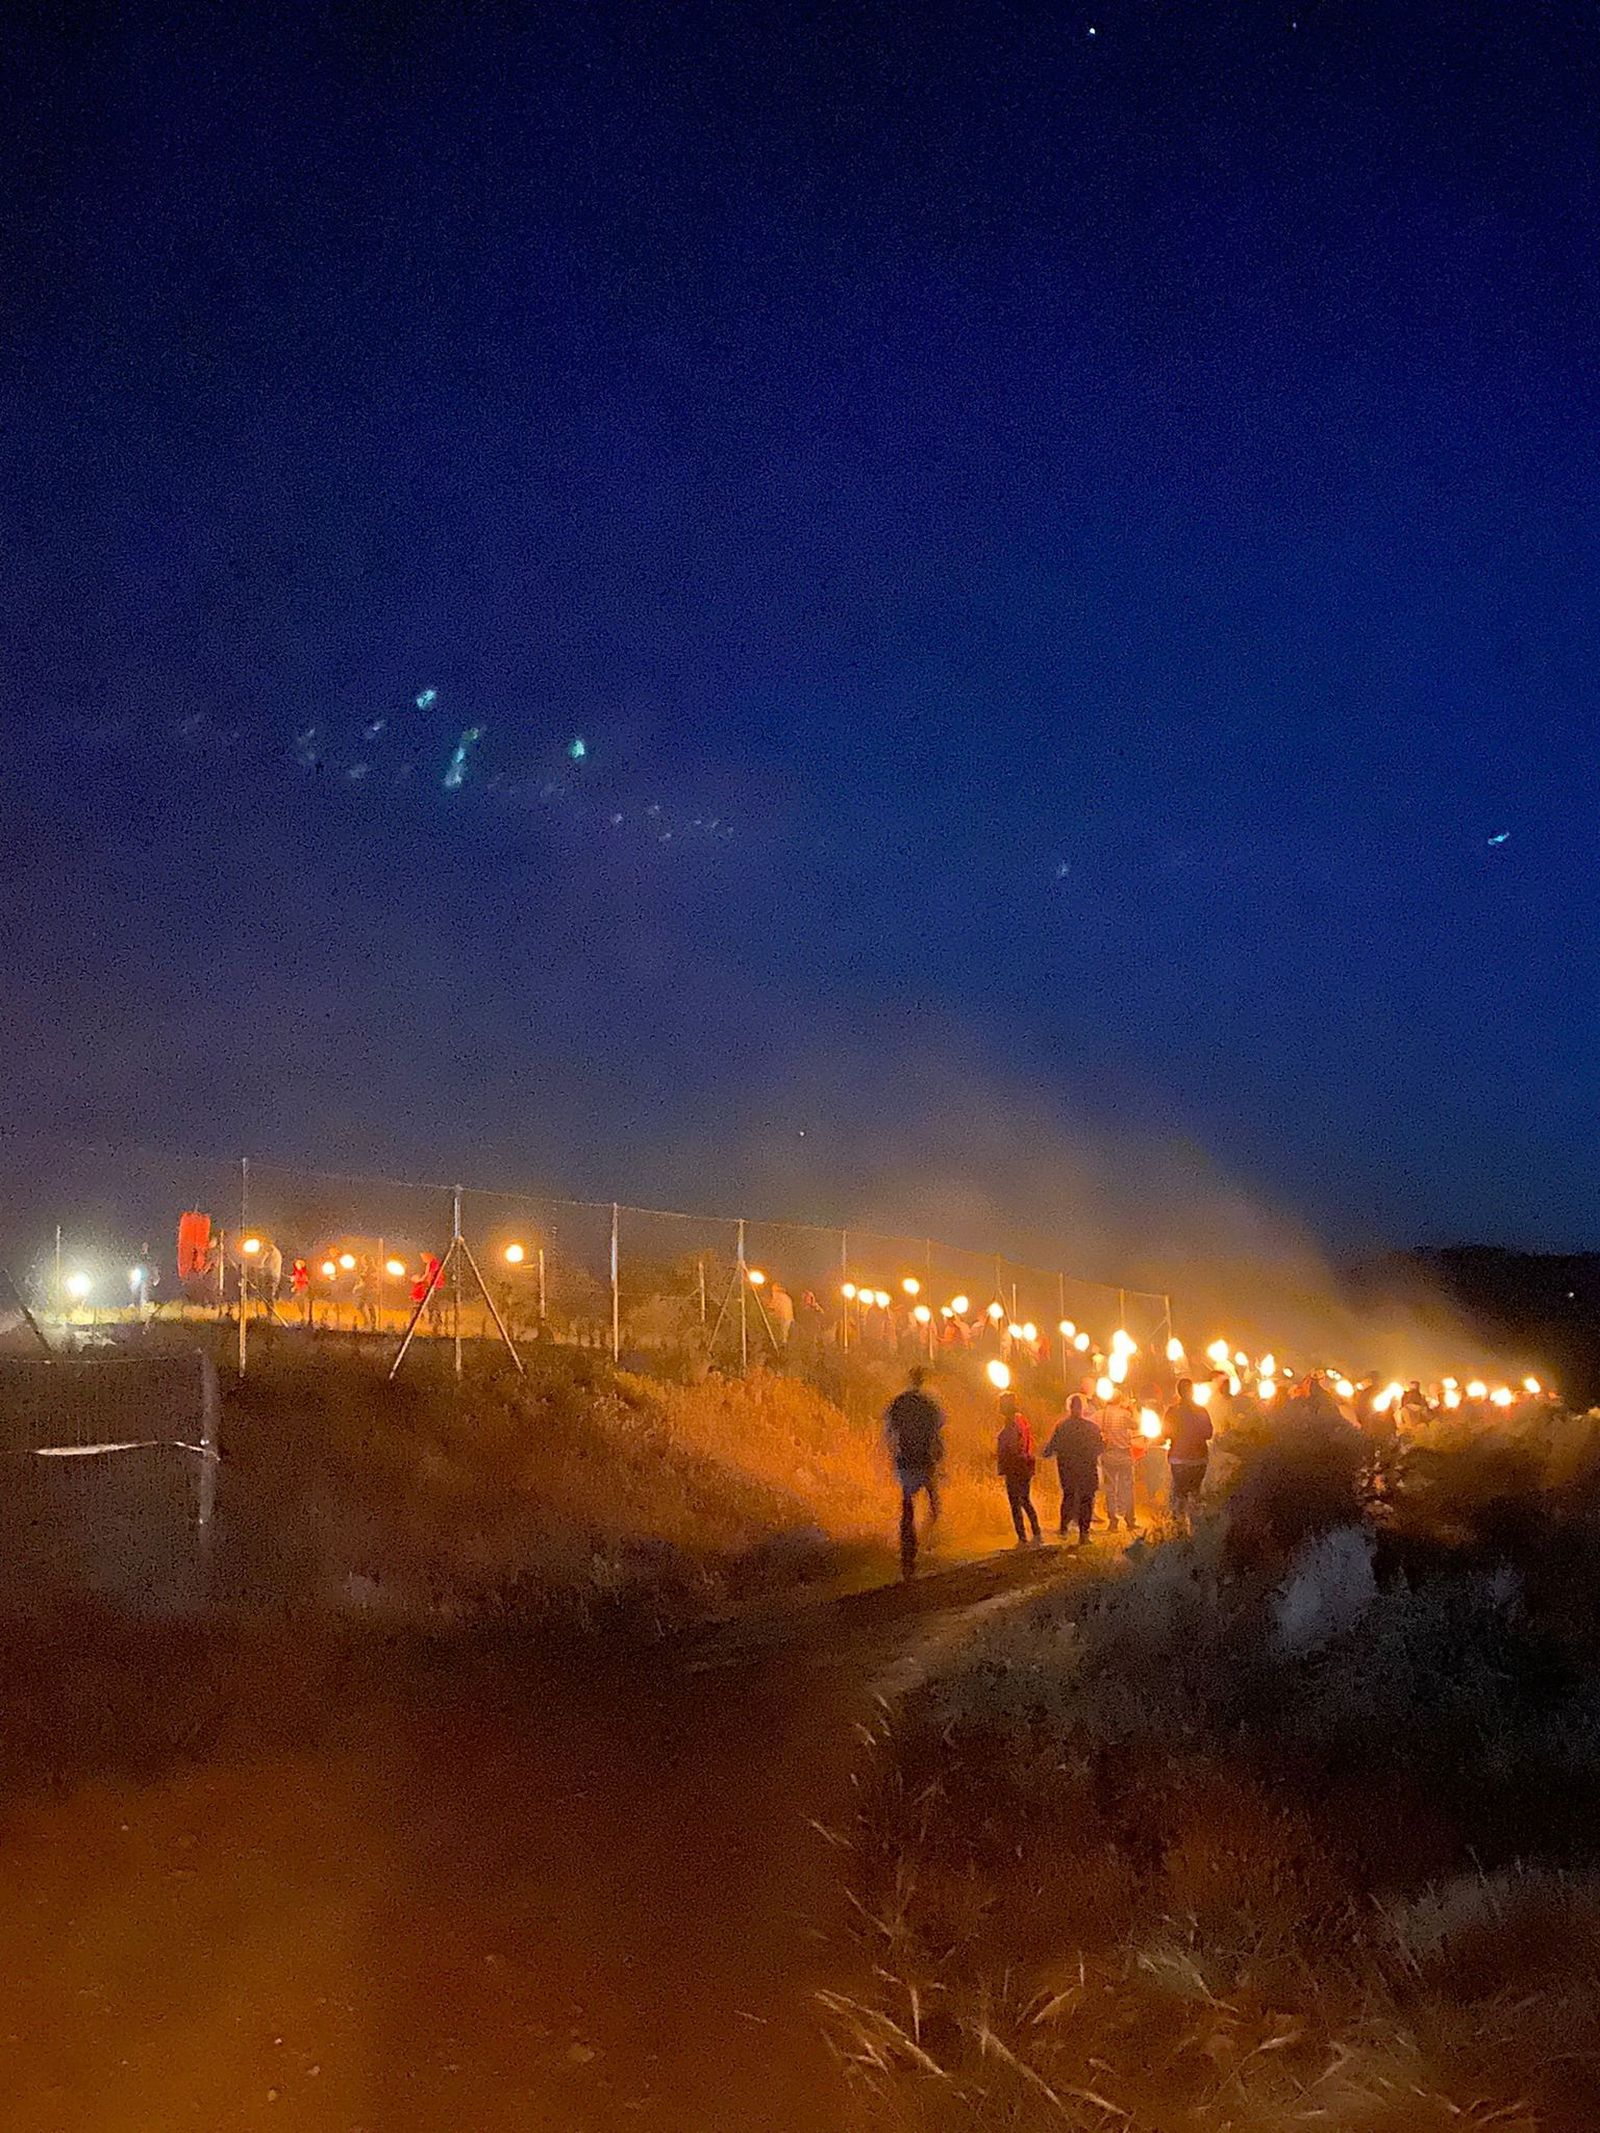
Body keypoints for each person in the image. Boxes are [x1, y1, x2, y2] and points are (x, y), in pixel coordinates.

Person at [883, 1366, 945, 1573]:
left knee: (908, 1504)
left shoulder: (899, 1402)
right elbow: (937, 1434)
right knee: (933, 1504)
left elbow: (889, 1431)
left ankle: (908, 1547)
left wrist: (893, 1453)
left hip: (905, 1459)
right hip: (924, 1459)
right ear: (922, 1379)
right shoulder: (929, 1404)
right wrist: (939, 1457)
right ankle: (925, 1541)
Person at [1042, 1394, 1102, 1544]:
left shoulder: (1062, 1426)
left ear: (1069, 1408)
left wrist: (1044, 1452)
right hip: (1087, 1470)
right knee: (1086, 1500)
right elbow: (1099, 1448)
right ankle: (1084, 1534)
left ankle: (1064, 1528)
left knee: (1068, 1497)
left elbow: (1051, 1448)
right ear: (1083, 1408)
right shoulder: (1092, 1428)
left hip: (1067, 1470)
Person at [1163, 1378, 1214, 1521]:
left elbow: (1165, 1433)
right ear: (1192, 1392)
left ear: (1179, 1392)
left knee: (1180, 1493)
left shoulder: (1172, 1412)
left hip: (1178, 1459)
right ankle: (1196, 1524)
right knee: (1195, 1493)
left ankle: (1178, 1526)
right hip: (1199, 1459)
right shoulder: (1201, 1411)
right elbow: (1208, 1434)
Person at [996, 1392, 1042, 1545]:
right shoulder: (1020, 1419)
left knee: (1016, 1502)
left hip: (1016, 1465)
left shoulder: (1013, 1422)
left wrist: (1003, 1452)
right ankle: (1035, 1532)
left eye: (1002, 1403)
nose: (999, 1406)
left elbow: (1013, 1444)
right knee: (1024, 1499)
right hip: (1023, 1464)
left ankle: (1023, 1538)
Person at [1098, 1392, 1139, 1534]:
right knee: (1127, 1488)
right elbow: (1136, 1425)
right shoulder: (1124, 1414)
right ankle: (1130, 1520)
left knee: (1110, 1489)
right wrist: (1133, 1409)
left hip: (1108, 1454)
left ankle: (1113, 1522)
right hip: (1123, 1454)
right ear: (1120, 1400)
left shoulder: (1104, 1414)